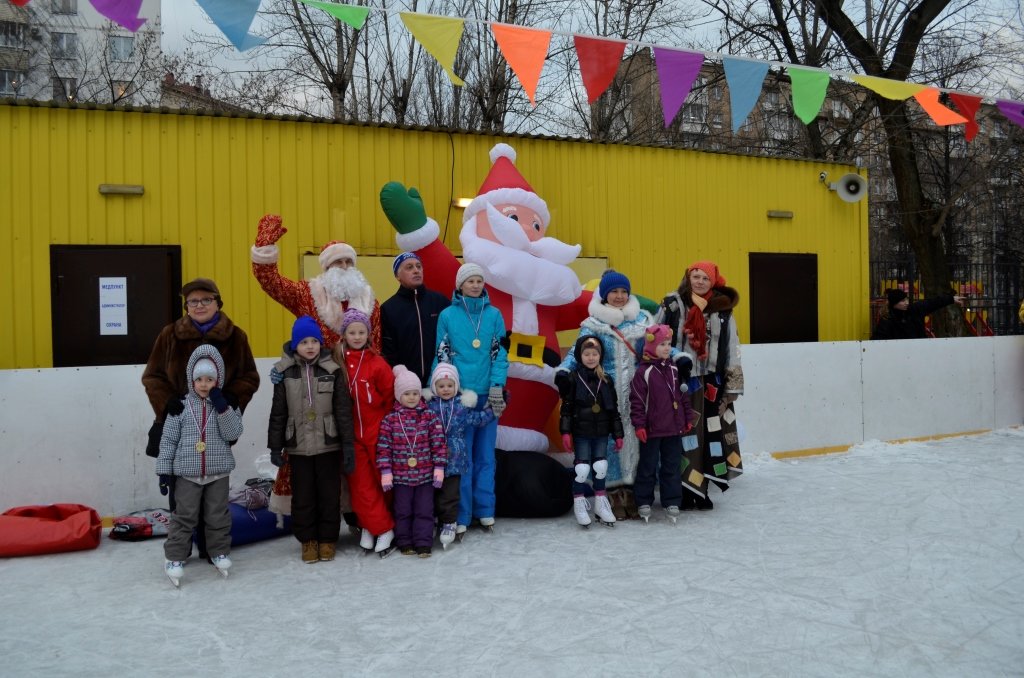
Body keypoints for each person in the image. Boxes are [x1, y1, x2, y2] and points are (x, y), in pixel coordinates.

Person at [380, 143, 592, 464]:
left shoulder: (552, 289)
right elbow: (439, 268)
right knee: (484, 454)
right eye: (513, 217)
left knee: (536, 481)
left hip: (536, 410)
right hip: (486, 387)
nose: (526, 230)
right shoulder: (474, 280)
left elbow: (582, 304)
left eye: (535, 225)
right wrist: (418, 231)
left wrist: (620, 301)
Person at [554, 269, 689, 520]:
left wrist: (680, 359)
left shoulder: (644, 321)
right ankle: (613, 496)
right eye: (614, 292)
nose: (619, 296)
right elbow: (577, 352)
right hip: (606, 397)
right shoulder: (593, 325)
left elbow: (661, 345)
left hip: (642, 395)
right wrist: (563, 372)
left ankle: (637, 495)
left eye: (623, 292)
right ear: (605, 295)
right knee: (610, 445)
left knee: (640, 445)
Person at [142, 277, 259, 558]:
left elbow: (250, 377)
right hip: (177, 423)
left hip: (214, 428)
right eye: (193, 301)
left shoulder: (236, 336)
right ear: (187, 306)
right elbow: (152, 376)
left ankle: (212, 548)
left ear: (218, 302)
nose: (200, 305)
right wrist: (167, 402)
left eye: (206, 300)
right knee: (181, 495)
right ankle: (180, 549)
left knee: (213, 494)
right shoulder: (170, 335)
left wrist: (231, 398)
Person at [267, 316, 356, 564]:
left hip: (329, 444)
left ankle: (328, 539)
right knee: (303, 497)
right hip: (298, 447)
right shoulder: (284, 373)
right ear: (295, 345)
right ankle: (308, 541)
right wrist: (275, 446)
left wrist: (348, 445)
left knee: (329, 495)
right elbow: (278, 413)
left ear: (320, 344)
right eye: (304, 341)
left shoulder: (332, 370)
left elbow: (343, 411)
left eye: (314, 341)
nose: (309, 346)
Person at [655, 261, 743, 510]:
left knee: (708, 436)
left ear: (713, 282)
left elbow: (732, 347)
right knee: (681, 434)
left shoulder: (723, 309)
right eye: (696, 276)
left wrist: (732, 386)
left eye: (705, 278)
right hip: (679, 380)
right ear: (688, 278)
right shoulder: (673, 303)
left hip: (711, 383)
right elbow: (654, 339)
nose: (700, 281)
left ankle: (701, 488)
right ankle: (680, 490)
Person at [156, 345, 243, 586]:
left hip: (218, 472)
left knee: (218, 516)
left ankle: (218, 551)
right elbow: (168, 440)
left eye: (210, 379)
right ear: (191, 380)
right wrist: (164, 469)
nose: (204, 384)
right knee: (184, 517)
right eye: (199, 379)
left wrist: (223, 406)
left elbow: (233, 433)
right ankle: (174, 557)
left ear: (218, 380)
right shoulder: (180, 406)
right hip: (187, 474)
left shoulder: (225, 405)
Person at [434, 263, 509, 538]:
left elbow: (499, 353)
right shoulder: (447, 316)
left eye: (479, 280)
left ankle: (485, 510)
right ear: (460, 285)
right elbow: (442, 352)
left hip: (489, 397)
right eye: (470, 281)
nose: (476, 285)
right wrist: (445, 388)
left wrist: (497, 386)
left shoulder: (494, 315)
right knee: (461, 458)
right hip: (459, 397)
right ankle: (462, 514)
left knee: (486, 455)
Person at [251, 214, 380, 352]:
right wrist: (264, 247)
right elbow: (271, 282)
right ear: (327, 267)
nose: (344, 266)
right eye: (338, 261)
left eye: (348, 261)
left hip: (361, 371)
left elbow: (376, 346)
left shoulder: (369, 301)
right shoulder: (306, 294)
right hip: (320, 372)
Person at [332, 308, 396, 557]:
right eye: (352, 332)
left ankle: (378, 526)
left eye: (361, 332)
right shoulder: (338, 363)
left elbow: (390, 398)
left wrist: (389, 430)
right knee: (360, 485)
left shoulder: (378, 363)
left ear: (368, 335)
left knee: (384, 482)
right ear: (344, 334)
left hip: (378, 432)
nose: (357, 336)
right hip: (351, 436)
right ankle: (378, 526)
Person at [376, 366, 447, 557]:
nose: (412, 397)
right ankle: (405, 541)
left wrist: (439, 467)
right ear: (399, 395)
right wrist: (386, 472)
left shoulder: (430, 417)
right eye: (407, 393)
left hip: (425, 476)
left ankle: (423, 543)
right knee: (403, 511)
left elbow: (439, 443)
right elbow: (384, 447)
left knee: (425, 510)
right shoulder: (390, 420)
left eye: (415, 393)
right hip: (400, 478)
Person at [423, 362, 495, 548]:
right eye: (441, 386)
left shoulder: (462, 406)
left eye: (449, 385)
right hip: (432, 458)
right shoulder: (429, 407)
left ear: (456, 386)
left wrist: (492, 410)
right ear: (434, 388)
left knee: (451, 492)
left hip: (455, 458)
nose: (446, 389)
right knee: (430, 491)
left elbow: (478, 420)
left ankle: (449, 522)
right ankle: (430, 521)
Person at [628, 325, 695, 524]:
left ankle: (672, 500)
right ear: (650, 346)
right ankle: (643, 501)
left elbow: (682, 395)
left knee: (672, 466)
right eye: (662, 344)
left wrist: (687, 419)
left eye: (668, 344)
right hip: (652, 430)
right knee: (648, 466)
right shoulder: (643, 372)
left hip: (673, 429)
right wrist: (639, 425)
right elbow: (637, 401)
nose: (667, 348)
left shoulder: (674, 369)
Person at [559, 336, 624, 528]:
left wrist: (618, 434)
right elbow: (567, 409)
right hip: (582, 432)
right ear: (580, 356)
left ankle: (601, 503)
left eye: (594, 354)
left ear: (600, 356)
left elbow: (614, 410)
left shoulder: (606, 380)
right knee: (582, 469)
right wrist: (565, 432)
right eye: (586, 354)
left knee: (601, 467)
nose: (591, 358)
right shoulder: (573, 378)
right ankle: (579, 503)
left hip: (601, 432)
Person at [381, 252, 451, 387]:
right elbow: (388, 351)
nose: (416, 270)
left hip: (440, 383)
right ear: (397, 276)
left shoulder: (439, 301)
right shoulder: (389, 308)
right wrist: (401, 377)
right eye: (409, 267)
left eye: (419, 266)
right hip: (408, 387)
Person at [871, 288, 966, 340]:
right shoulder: (887, 320)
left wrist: (951, 299)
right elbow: (877, 339)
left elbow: (932, 303)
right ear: (894, 304)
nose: (907, 302)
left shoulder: (915, 309)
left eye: (906, 299)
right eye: (902, 301)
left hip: (921, 349)